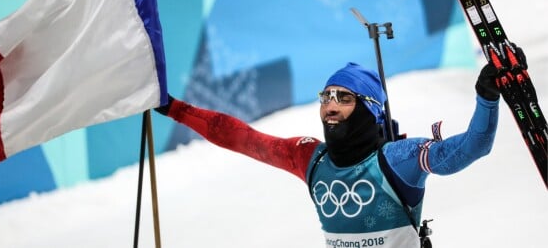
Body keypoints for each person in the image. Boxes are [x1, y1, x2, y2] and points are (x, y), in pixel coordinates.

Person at [155, 62, 501, 248]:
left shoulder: (398, 159)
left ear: (369, 111)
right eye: (326, 97)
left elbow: (473, 145)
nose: (330, 107)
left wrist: (486, 97)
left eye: (344, 99)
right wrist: (173, 108)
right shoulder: (310, 158)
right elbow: (242, 138)